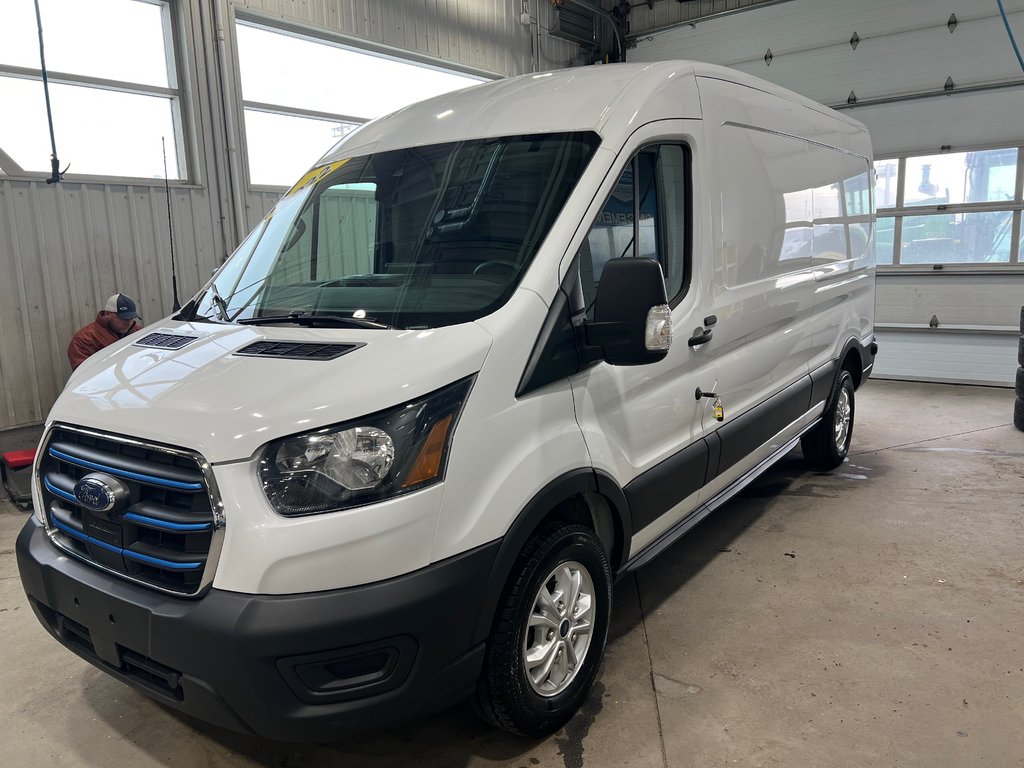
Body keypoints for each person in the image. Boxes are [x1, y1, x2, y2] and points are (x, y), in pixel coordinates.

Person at [67, 293, 143, 370]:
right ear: (107, 314)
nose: (129, 322)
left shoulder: (139, 332)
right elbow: (83, 373)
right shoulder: (84, 339)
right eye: (123, 318)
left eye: (131, 318)